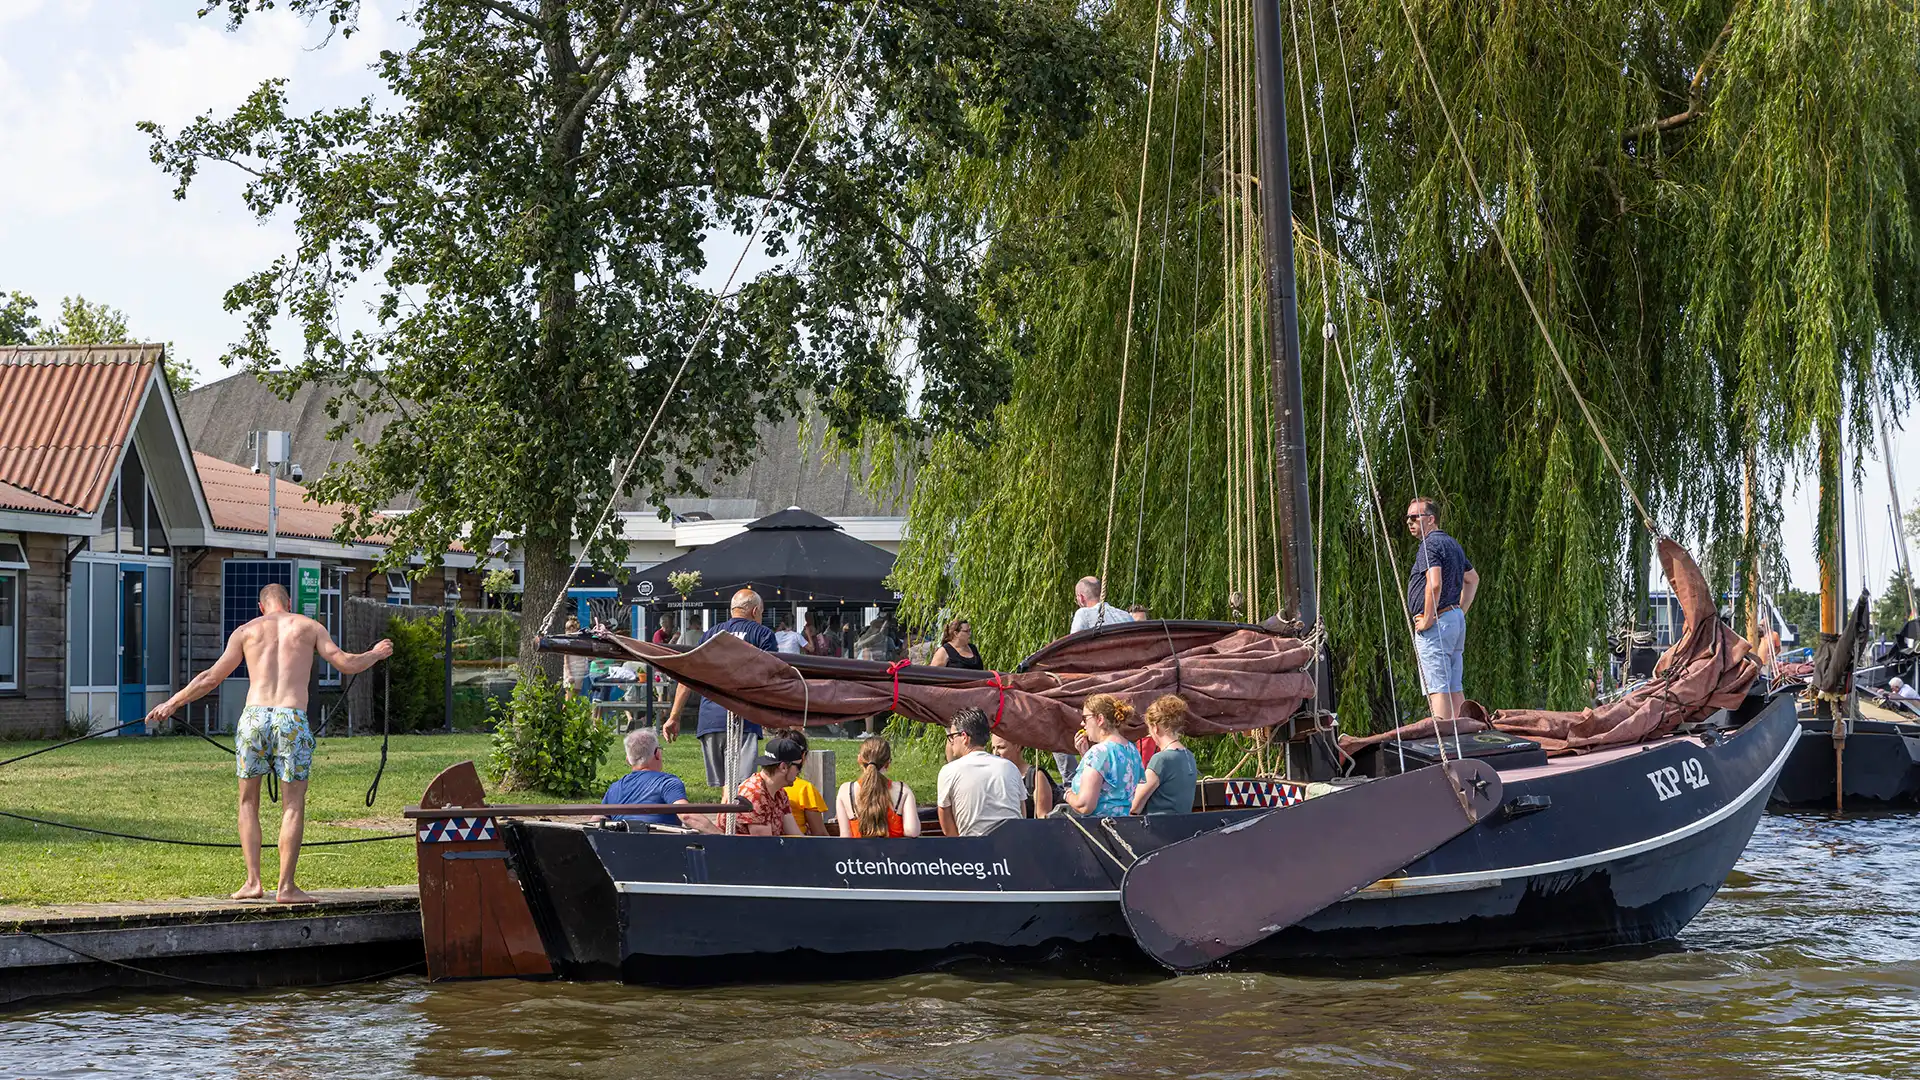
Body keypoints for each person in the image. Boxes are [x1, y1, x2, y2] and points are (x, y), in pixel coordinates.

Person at [143, 583, 392, 903]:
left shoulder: (246, 631)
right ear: (289, 602)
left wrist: (172, 704)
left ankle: (252, 883)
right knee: (293, 804)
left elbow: (210, 678)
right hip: (291, 718)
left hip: (254, 719)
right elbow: (345, 663)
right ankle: (286, 887)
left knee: (248, 802)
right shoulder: (309, 626)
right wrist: (376, 653)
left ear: (261, 607)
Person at [664, 589, 780, 788]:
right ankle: (735, 820)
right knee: (742, 788)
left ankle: (725, 819)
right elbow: (770, 678)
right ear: (755, 611)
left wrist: (674, 716)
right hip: (743, 718)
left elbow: (687, 677)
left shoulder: (711, 634)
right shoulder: (763, 634)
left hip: (710, 719)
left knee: (724, 790)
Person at [1406, 497, 1480, 720]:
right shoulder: (1452, 544)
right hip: (1453, 620)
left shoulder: (1429, 545)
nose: (1409, 522)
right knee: (1454, 687)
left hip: (1437, 624)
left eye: (1414, 517)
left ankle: (1446, 747)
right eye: (1407, 518)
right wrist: (1459, 611)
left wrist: (1428, 618)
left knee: (1437, 688)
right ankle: (1464, 739)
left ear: (1430, 519)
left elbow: (1434, 583)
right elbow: (1472, 579)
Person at [597, 728, 718, 832]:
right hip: (662, 849)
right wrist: (723, 836)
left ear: (628, 760)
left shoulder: (615, 787)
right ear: (657, 754)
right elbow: (687, 816)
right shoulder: (668, 783)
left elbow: (595, 821)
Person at [936, 708, 1024, 836]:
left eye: (952, 736)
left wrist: (962, 848)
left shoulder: (949, 771)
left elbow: (947, 825)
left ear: (964, 737)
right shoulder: (1010, 767)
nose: (951, 742)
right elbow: (1021, 811)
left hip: (973, 850)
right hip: (1012, 846)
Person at [1060, 694, 1145, 818]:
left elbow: (1085, 805)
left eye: (1085, 718)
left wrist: (1067, 794)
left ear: (1100, 719)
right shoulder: (1132, 750)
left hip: (1099, 830)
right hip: (1125, 826)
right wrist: (1085, 756)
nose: (1082, 724)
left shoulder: (1098, 752)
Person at [836, 736, 921, 837]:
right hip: (895, 852)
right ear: (888, 764)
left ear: (859, 759)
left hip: (858, 852)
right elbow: (912, 831)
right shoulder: (902, 791)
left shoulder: (846, 791)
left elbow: (845, 837)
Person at [1130, 695, 1198, 816]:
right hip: (1179, 827)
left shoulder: (1160, 760)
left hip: (1155, 830)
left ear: (1155, 728)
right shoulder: (1189, 756)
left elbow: (1134, 807)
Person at [731, 735, 807, 836]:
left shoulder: (780, 793)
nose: (799, 772)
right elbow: (765, 847)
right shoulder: (754, 795)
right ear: (783, 767)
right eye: (798, 766)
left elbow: (796, 836)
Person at [773, 726, 830, 835]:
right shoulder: (804, 789)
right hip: (797, 848)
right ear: (803, 756)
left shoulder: (763, 785)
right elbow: (820, 834)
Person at [992, 733, 1057, 818]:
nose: (995, 753)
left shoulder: (1035, 777)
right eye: (993, 748)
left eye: (1001, 747)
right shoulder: (994, 776)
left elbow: (1043, 819)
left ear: (1018, 746)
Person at [563, 615, 592, 699]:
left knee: (575, 695)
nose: (571, 630)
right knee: (569, 697)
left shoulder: (579, 642)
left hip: (579, 672)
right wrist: (569, 674)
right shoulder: (566, 642)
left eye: (573, 628)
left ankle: (570, 712)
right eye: (568, 628)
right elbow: (566, 660)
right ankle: (565, 712)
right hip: (571, 673)